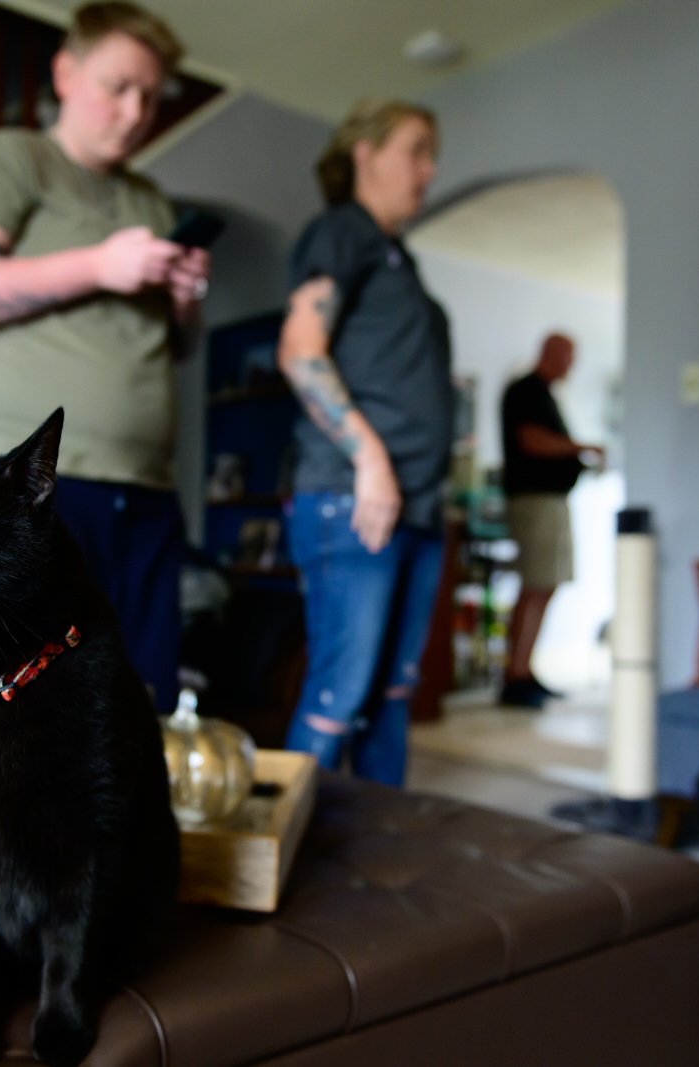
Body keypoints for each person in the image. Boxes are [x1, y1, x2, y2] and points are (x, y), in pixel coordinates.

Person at [0, 2, 209, 714]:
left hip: (143, 484)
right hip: (29, 485)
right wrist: (102, 265)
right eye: (118, 85)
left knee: (145, 696)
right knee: (21, 696)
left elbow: (181, 346)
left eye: (150, 94)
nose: (136, 109)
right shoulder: (13, 158)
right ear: (67, 72)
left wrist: (185, 298)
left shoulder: (150, 199)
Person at [276, 99, 452, 786]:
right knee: (337, 698)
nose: (429, 169)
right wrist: (370, 459)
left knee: (390, 699)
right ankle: (279, 871)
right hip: (357, 501)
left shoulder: (396, 255)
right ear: (365, 154)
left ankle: (377, 872)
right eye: (416, 149)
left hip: (418, 507)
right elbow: (300, 349)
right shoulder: (340, 232)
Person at [498, 332, 605, 708]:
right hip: (535, 501)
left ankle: (524, 670)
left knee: (547, 585)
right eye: (568, 357)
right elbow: (530, 440)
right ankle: (515, 674)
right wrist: (582, 447)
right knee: (536, 584)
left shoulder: (545, 394)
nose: (570, 366)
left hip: (552, 500)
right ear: (550, 353)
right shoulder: (526, 390)